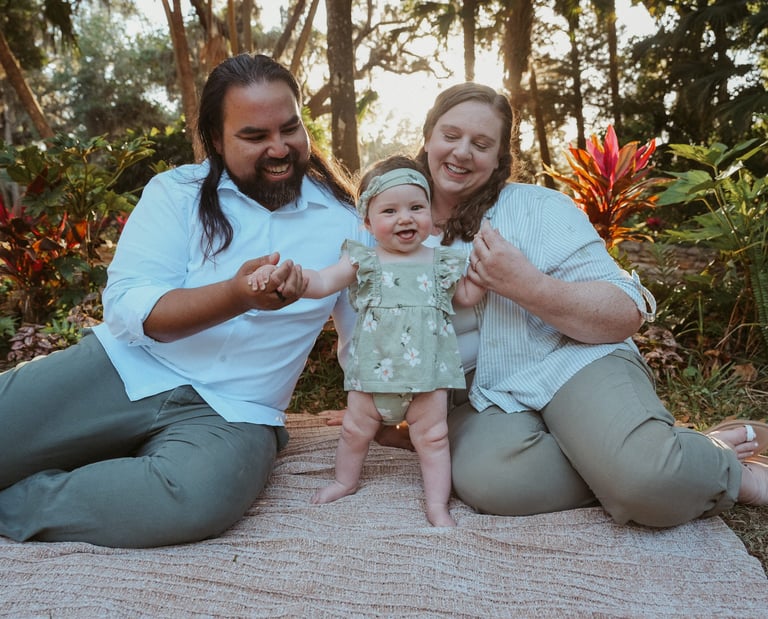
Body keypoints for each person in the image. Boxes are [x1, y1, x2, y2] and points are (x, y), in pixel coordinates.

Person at [330, 82, 768, 524]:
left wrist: (527, 285)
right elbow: (367, 323)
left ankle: (718, 470)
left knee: (644, 485)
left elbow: (624, 313)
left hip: (570, 361)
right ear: (427, 137)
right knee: (490, 482)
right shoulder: (387, 215)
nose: (462, 152)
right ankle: (651, 452)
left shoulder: (539, 208)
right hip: (485, 398)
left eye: (481, 144)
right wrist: (380, 406)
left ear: (500, 157)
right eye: (451, 135)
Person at [0, 53, 366, 548]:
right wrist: (237, 296)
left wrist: (375, 404)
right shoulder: (176, 194)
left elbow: (367, 331)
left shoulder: (346, 221)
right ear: (216, 140)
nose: (279, 148)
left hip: (236, 413)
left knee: (192, 497)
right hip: (127, 368)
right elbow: (131, 309)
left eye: (290, 128)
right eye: (254, 136)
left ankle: (17, 506)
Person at [255, 155, 484, 526]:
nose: (405, 218)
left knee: (434, 439)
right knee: (355, 431)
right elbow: (325, 281)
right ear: (368, 222)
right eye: (389, 211)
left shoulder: (441, 261)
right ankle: (345, 481)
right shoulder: (364, 259)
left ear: (429, 212)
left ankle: (436, 505)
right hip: (373, 372)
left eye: (415, 207)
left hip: (427, 374)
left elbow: (466, 298)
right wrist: (292, 278)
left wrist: (484, 276)